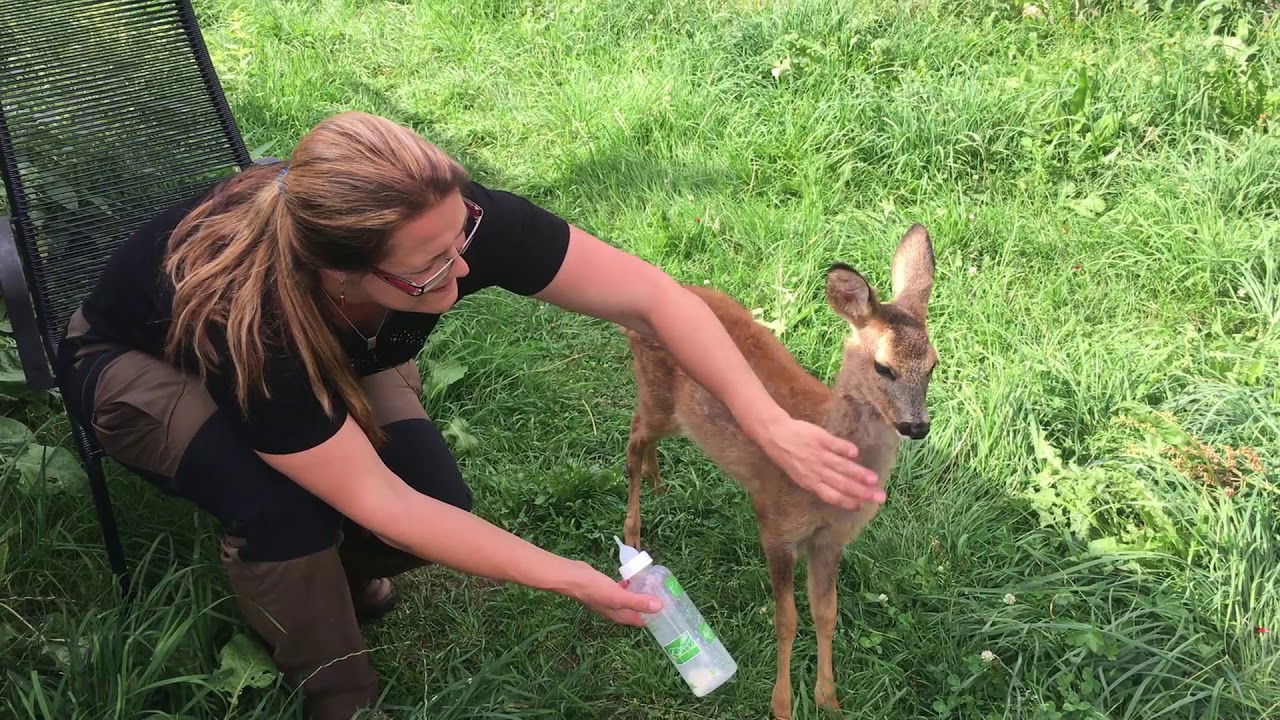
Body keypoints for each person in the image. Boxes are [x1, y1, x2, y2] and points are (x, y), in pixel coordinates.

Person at [54, 111, 884, 719]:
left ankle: (331, 571)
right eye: (428, 270)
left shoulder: (442, 217)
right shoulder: (257, 324)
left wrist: (768, 422)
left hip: (344, 348)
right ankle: (339, 693)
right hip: (137, 367)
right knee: (279, 511)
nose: (461, 271)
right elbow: (383, 504)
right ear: (338, 273)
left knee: (441, 505)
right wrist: (568, 576)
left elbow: (656, 298)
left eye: (464, 240)